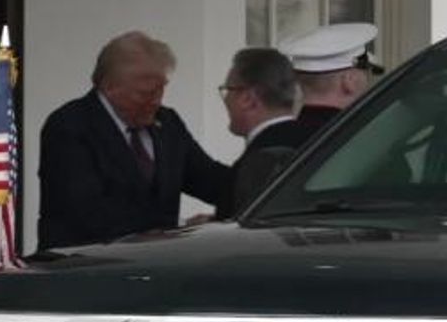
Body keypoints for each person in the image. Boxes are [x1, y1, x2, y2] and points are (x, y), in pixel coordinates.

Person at [36, 31, 230, 250]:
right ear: (109, 87)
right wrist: (181, 229)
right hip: (82, 270)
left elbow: (208, 178)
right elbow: (86, 212)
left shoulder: (168, 123)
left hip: (151, 267)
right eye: (146, 93)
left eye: (161, 89)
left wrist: (262, 190)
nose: (156, 101)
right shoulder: (70, 126)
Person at [215, 47, 303, 218]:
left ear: (248, 99)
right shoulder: (317, 141)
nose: (225, 99)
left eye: (228, 90)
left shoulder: (260, 161)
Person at [281, 22, 384, 137]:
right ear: (349, 81)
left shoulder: (274, 135)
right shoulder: (362, 137)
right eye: (365, 73)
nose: (367, 80)